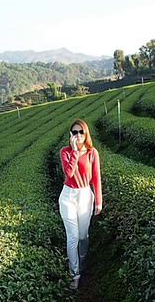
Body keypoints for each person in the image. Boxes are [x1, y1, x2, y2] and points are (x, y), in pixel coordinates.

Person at [59, 119, 102, 291]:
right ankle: (74, 275)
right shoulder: (65, 152)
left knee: (83, 237)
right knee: (73, 237)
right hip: (68, 196)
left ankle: (83, 264)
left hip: (85, 195)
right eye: (74, 132)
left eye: (80, 132)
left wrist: (98, 201)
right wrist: (75, 151)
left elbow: (96, 178)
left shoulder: (92, 153)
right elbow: (69, 173)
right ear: (70, 135)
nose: (77, 135)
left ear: (86, 134)